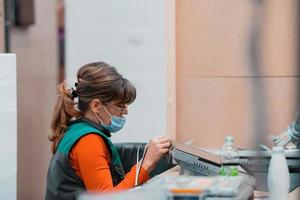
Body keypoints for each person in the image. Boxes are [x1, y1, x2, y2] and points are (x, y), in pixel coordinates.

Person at [45, 62, 171, 200]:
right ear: (96, 106)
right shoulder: (88, 141)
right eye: (121, 106)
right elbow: (108, 198)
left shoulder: (75, 130)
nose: (125, 112)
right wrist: (146, 164)